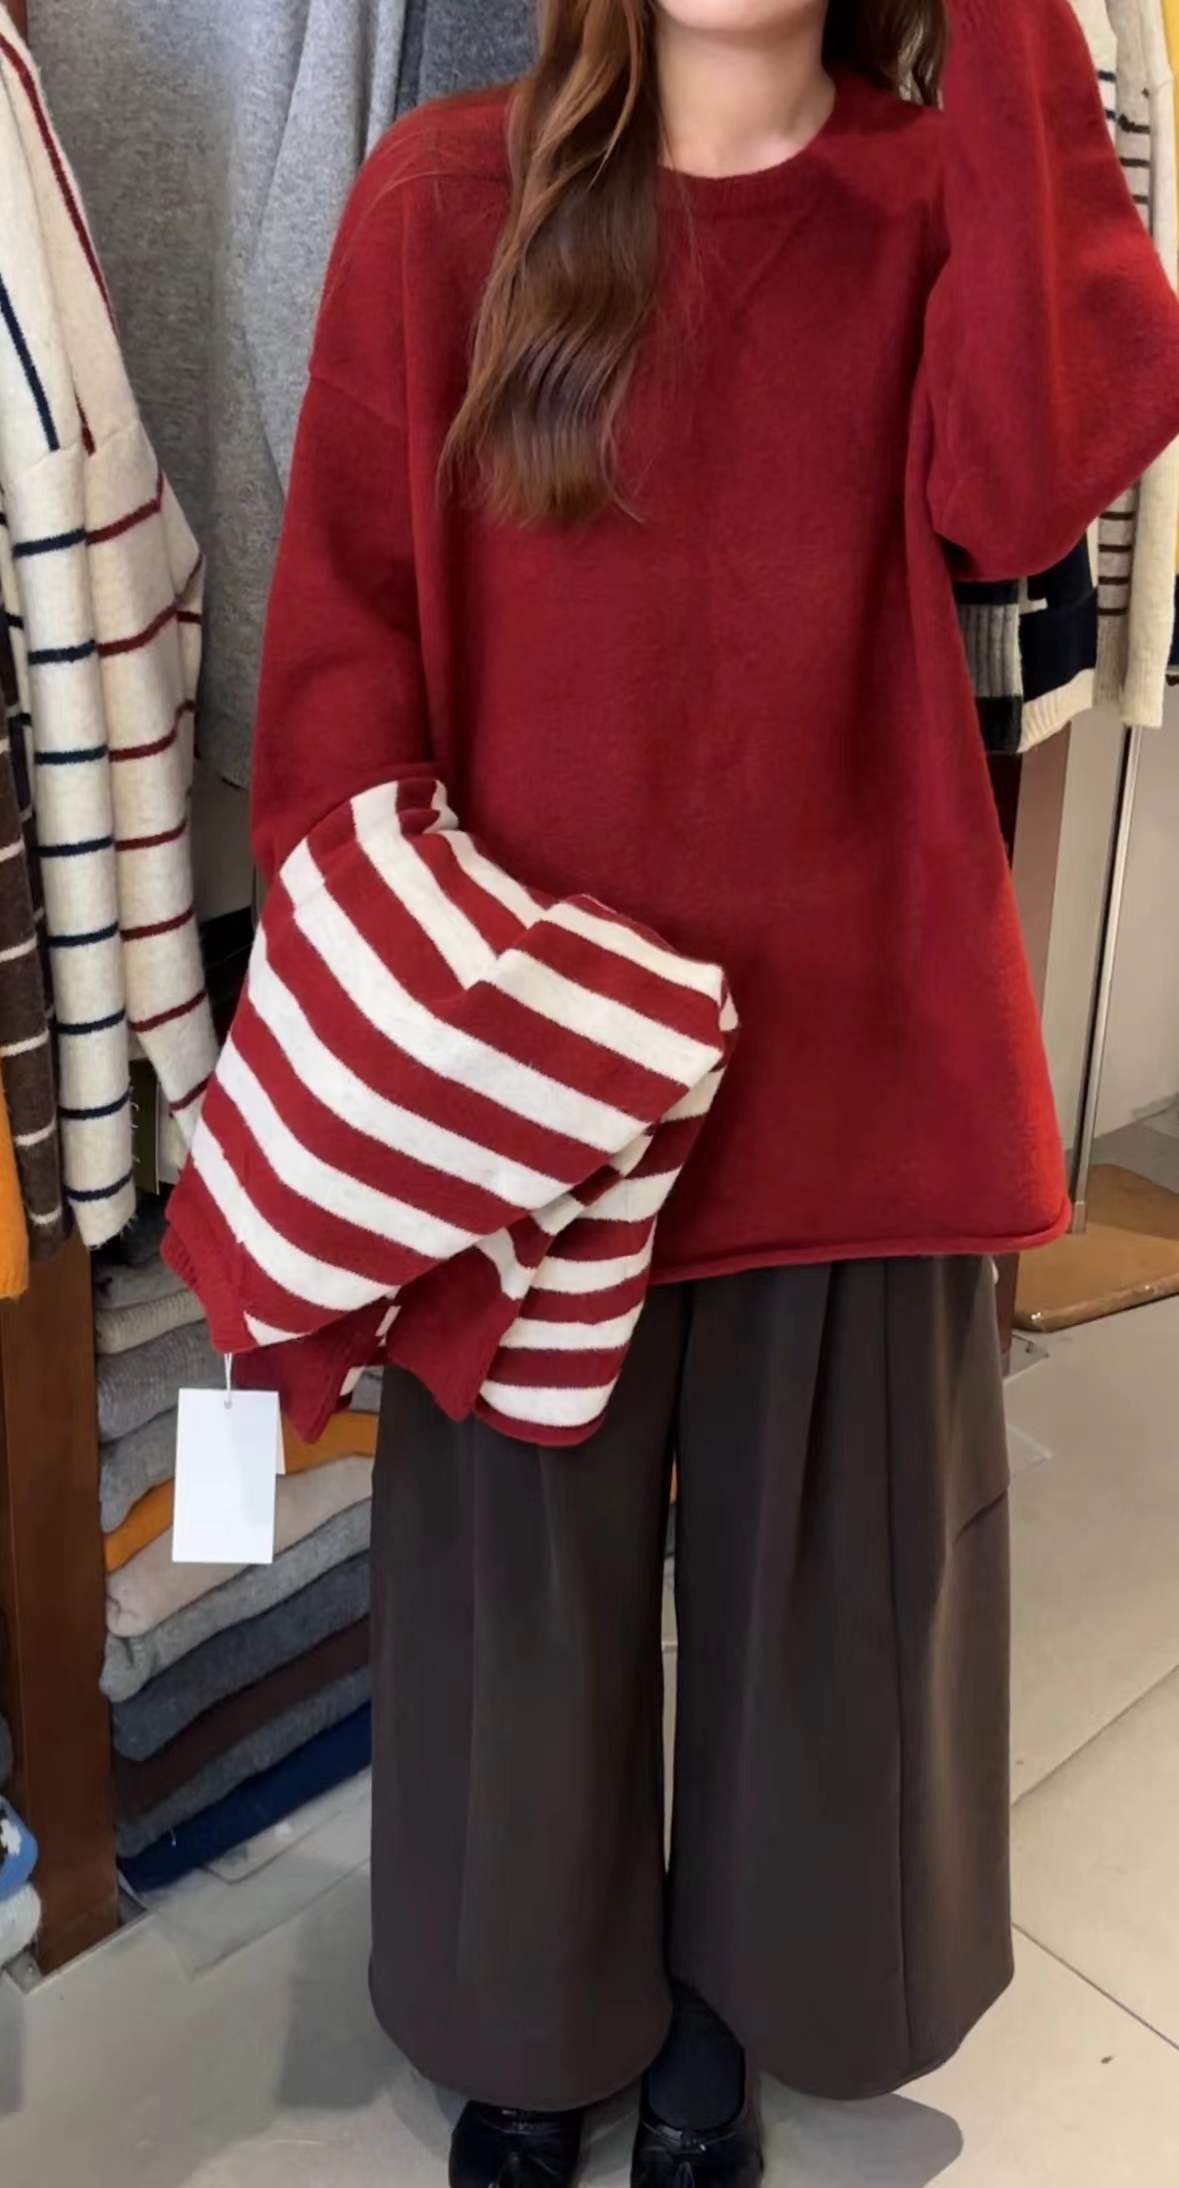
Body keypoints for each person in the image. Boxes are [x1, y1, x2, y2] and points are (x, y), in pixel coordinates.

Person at [248, 2, 1179, 2182]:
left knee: (835, 1621)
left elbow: (1035, 474)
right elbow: (343, 651)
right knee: (513, 1608)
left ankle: (738, 2013)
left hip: (854, 1058)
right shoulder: (439, 203)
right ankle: (528, 2019)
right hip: (524, 1089)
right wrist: (431, 1026)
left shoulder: (932, 201)